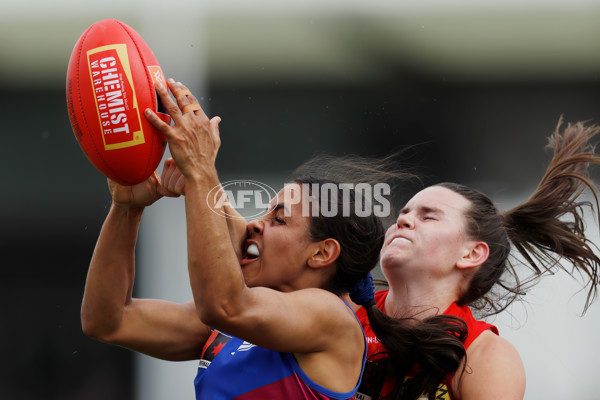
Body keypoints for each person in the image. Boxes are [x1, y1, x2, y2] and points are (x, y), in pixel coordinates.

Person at [82, 78, 465, 399]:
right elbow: (108, 320)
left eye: (279, 219)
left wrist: (200, 171)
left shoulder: (330, 317)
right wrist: (127, 208)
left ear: (321, 253)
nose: (256, 226)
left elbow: (224, 304)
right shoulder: (231, 327)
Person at [351, 119, 600, 400]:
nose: (403, 220)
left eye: (428, 216)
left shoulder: (485, 357)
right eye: (403, 214)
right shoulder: (341, 312)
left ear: (471, 254)